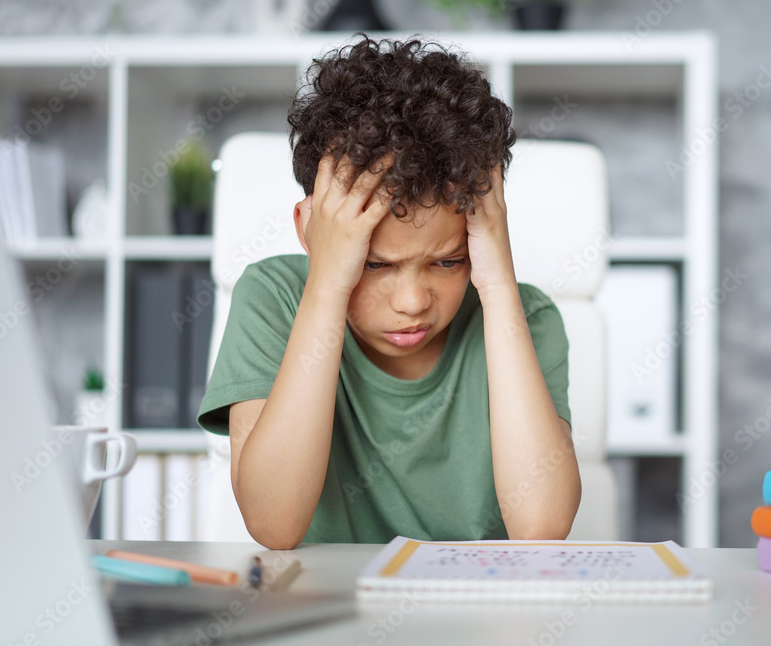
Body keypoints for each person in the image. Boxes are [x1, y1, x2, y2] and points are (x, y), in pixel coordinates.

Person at [197, 32, 581, 549]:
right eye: (374, 264)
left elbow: (542, 527)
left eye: (449, 260)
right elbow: (273, 523)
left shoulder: (527, 317)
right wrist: (328, 284)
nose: (413, 302)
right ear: (310, 231)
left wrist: (497, 284)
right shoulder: (273, 297)